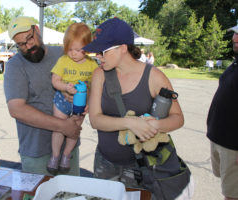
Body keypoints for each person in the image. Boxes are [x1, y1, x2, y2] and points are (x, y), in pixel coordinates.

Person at [83, 18, 184, 188]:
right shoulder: (99, 74)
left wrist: (154, 125)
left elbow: (178, 118)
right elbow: (95, 120)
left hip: (142, 166)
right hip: (104, 162)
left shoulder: (154, 76)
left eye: (103, 51)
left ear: (123, 48)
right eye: (96, 52)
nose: (98, 57)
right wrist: (131, 123)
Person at [4, 16, 83, 176]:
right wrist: (63, 126)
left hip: (68, 149)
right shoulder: (15, 66)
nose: (28, 46)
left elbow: (86, 78)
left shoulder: (63, 55)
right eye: (21, 44)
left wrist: (81, 96)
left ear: (37, 30)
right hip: (37, 154)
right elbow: (17, 109)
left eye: (29, 38)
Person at [47, 23, 98, 174]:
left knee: (74, 130)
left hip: (81, 103)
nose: (73, 53)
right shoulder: (63, 60)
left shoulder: (92, 64)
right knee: (58, 128)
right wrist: (64, 87)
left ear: (88, 47)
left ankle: (66, 156)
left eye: (77, 50)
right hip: (62, 100)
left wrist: (89, 102)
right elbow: (55, 80)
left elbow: (95, 86)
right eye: (70, 49)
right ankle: (55, 156)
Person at [206, 24, 238, 200]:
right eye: (235, 34)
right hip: (220, 139)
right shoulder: (235, 63)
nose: (235, 38)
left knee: (232, 195)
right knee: (228, 188)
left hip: (234, 146)